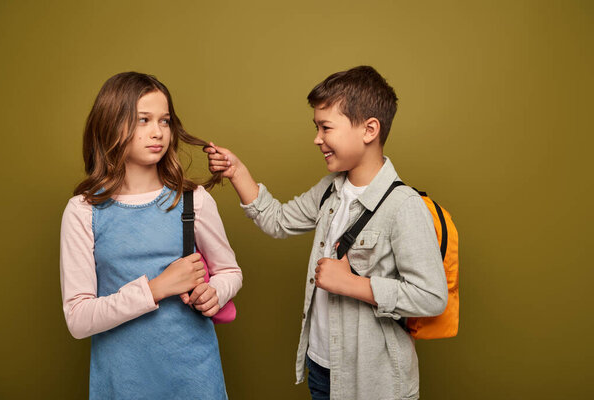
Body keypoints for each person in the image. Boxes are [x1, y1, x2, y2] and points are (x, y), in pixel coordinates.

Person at [205, 66, 447, 400]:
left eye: (326, 127)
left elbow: (432, 296)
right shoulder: (329, 190)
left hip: (373, 381)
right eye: (316, 127)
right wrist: (237, 172)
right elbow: (277, 220)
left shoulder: (403, 206)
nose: (317, 138)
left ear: (369, 130)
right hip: (320, 367)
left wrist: (353, 284)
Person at [60, 72, 242, 399]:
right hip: (122, 381)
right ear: (111, 124)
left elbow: (230, 271)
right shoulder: (82, 210)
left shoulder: (193, 199)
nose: (157, 132)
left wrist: (215, 291)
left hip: (196, 378)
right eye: (143, 120)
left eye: (165, 121)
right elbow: (78, 318)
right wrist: (156, 289)